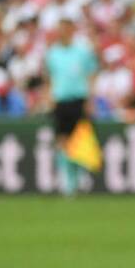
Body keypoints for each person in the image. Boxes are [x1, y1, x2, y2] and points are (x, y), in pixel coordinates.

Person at [44, 16, 97, 196]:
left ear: (72, 30)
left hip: (78, 98)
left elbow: (91, 74)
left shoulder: (82, 51)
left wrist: (90, 99)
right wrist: (49, 96)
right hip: (61, 100)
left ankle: (79, 177)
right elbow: (50, 77)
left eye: (66, 29)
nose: (63, 33)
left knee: (80, 139)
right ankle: (68, 181)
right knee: (62, 140)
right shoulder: (52, 53)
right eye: (60, 29)